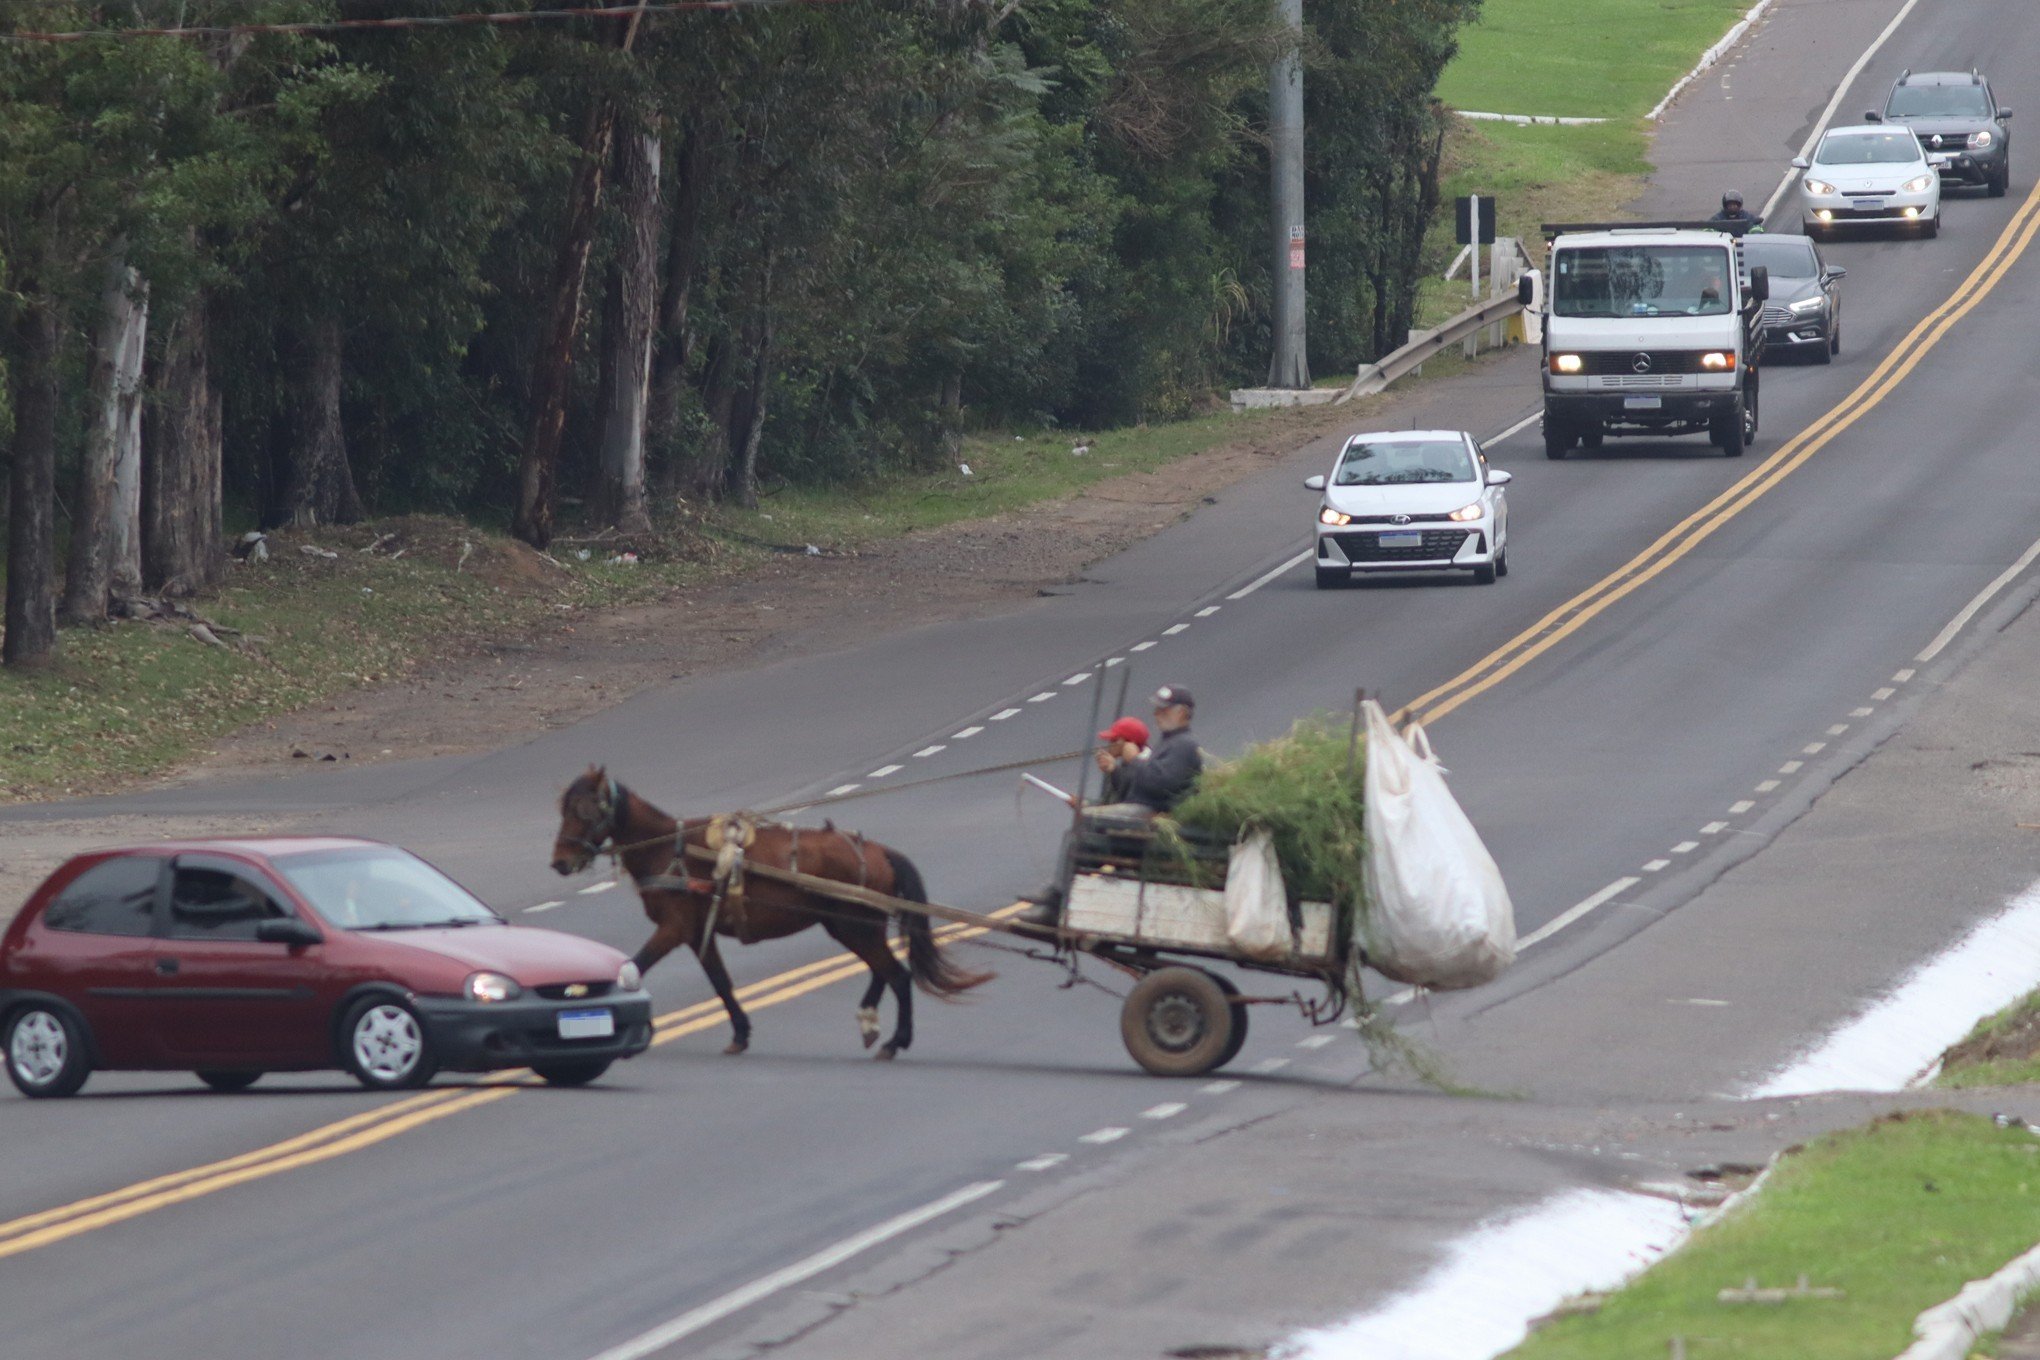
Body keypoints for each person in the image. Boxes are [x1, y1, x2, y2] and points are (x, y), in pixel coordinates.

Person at [1019, 686, 1205, 925]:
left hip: (1153, 814)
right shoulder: (1170, 743)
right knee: (1082, 835)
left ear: (1181, 713)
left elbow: (1159, 785)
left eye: (1163, 710)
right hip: (1142, 809)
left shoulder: (1184, 746)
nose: (1157, 714)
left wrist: (1133, 760)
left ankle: (1056, 902)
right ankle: (1058, 894)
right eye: (1157, 709)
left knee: (1087, 822)